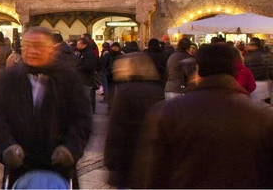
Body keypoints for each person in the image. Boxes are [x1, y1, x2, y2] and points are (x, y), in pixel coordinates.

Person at [141, 43, 273, 188]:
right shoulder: (262, 115)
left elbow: (154, 172)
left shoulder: (167, 112)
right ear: (235, 71)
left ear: (198, 70)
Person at [0, 26, 92, 186]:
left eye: (38, 46)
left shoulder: (68, 79)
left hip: (58, 163)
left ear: (52, 49)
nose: (32, 51)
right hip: (20, 163)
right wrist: (6, 146)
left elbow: (81, 119)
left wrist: (70, 149)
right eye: (27, 46)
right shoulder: (9, 78)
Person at [103, 52, 163, 189]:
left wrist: (110, 158)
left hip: (127, 154)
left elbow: (116, 127)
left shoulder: (124, 91)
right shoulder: (157, 90)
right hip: (149, 155)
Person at [244, 37, 272, 103]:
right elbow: (271, 69)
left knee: (254, 105)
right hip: (266, 82)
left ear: (254, 45)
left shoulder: (247, 57)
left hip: (254, 83)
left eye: (250, 45)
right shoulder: (266, 55)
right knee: (265, 103)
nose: (248, 46)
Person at [74, 37, 98, 113]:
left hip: (86, 80)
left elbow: (89, 66)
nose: (77, 46)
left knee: (87, 98)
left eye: (79, 44)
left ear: (84, 45)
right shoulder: (83, 53)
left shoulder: (88, 54)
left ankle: (89, 114)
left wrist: (77, 68)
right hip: (83, 79)